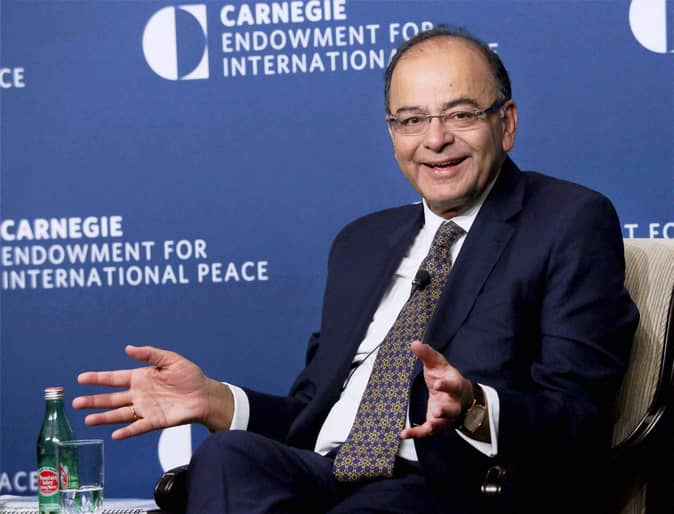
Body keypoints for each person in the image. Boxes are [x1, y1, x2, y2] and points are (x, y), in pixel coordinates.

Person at [73, 26, 638, 514]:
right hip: (326, 471)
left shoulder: (568, 220)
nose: (435, 139)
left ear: (506, 123)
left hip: (443, 482)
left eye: (461, 114)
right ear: (393, 134)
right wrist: (215, 400)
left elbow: (579, 412)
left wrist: (473, 407)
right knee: (227, 456)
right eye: (412, 120)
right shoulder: (361, 243)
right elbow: (308, 415)